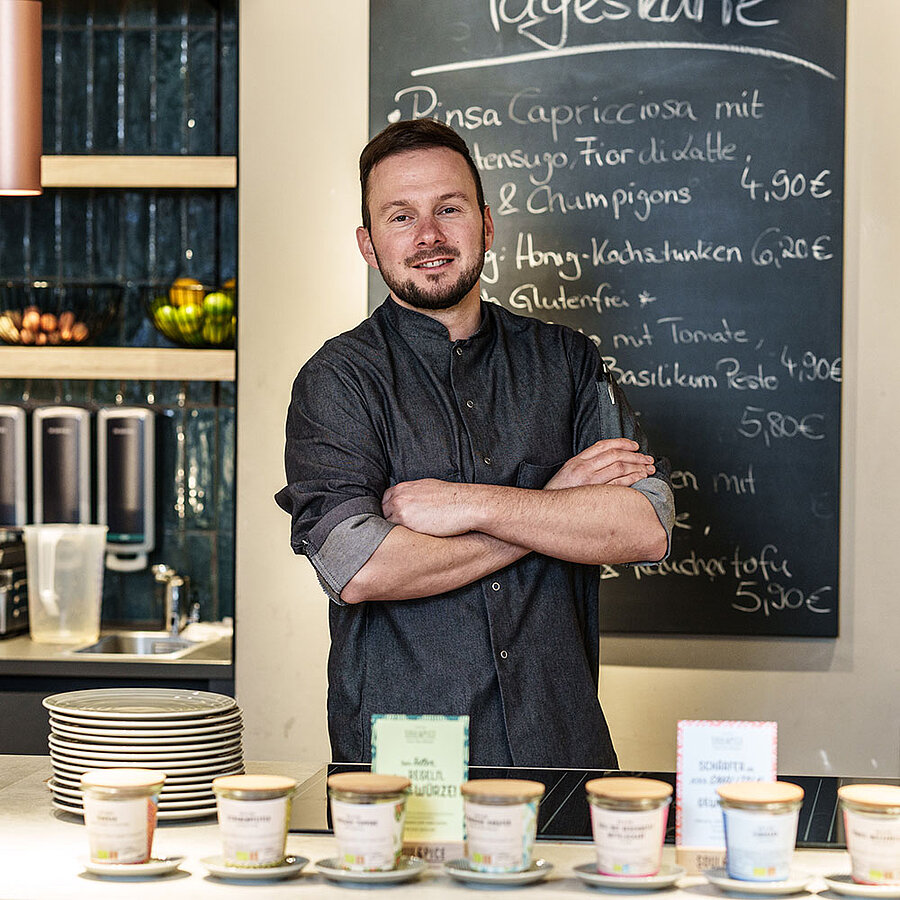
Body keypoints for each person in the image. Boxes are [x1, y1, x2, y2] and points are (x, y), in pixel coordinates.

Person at [275, 119, 674, 769]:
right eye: (400, 216)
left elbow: (644, 527)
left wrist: (472, 505)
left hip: (560, 747)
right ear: (368, 245)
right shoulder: (337, 381)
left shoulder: (569, 362)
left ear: (487, 225)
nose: (428, 235)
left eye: (449, 209)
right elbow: (357, 567)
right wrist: (549, 504)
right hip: (403, 763)